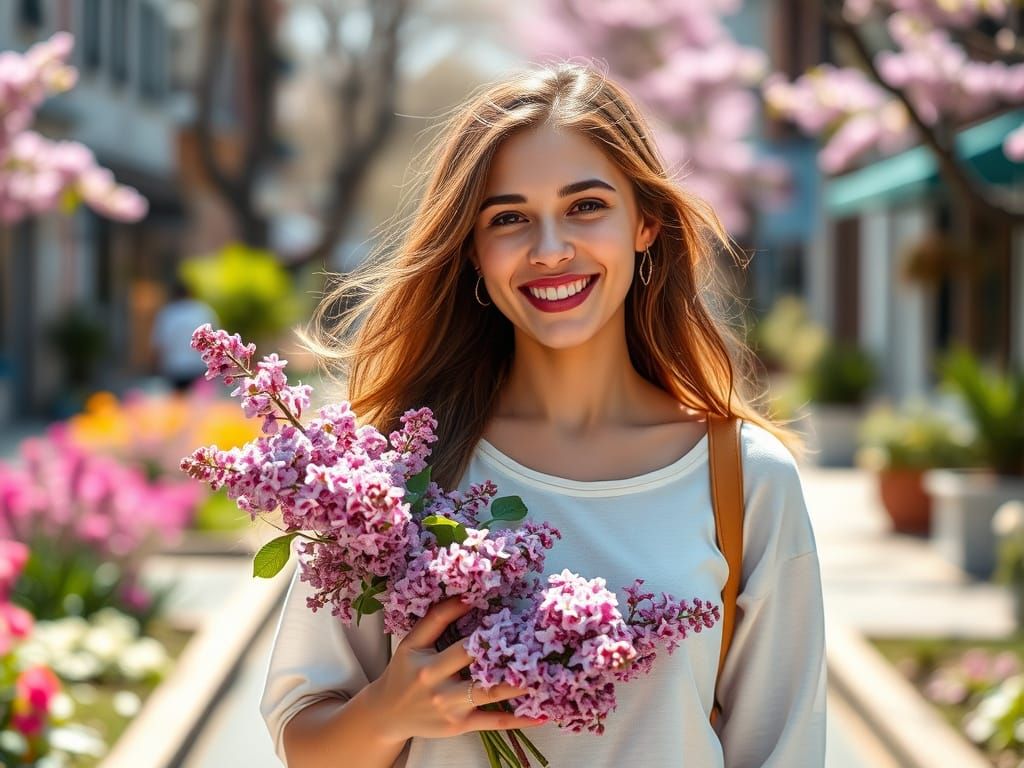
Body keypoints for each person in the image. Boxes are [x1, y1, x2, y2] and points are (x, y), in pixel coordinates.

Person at [260, 62, 826, 768]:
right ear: (472, 248)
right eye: (509, 218)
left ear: (645, 223)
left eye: (586, 206)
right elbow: (304, 742)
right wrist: (391, 710)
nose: (550, 249)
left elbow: (786, 751)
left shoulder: (745, 481)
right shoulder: (392, 476)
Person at [149, 276, 218, 393]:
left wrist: (155, 367)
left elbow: (159, 344)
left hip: (175, 367)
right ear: (191, 292)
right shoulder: (203, 311)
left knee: (178, 406)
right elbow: (216, 340)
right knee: (200, 405)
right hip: (199, 366)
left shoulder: (168, 313)